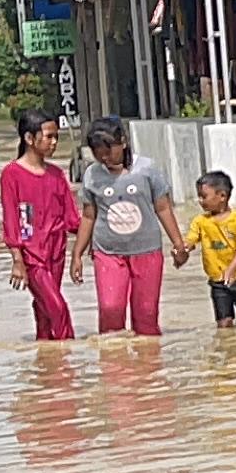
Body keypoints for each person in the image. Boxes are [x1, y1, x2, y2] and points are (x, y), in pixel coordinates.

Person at [74, 119, 185, 338]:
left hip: (146, 251)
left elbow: (162, 208)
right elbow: (88, 216)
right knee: (110, 309)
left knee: (146, 314)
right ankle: (114, 366)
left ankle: (147, 366)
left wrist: (178, 244)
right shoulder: (91, 175)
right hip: (107, 252)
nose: (104, 157)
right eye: (98, 153)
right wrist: (77, 254)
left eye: (108, 150)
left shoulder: (147, 169)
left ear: (123, 142)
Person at [0, 110, 81, 342]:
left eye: (57, 137)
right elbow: (11, 220)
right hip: (31, 255)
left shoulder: (56, 174)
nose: (54, 142)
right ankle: (70, 353)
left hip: (56, 251)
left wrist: (96, 234)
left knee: (45, 309)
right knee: (58, 307)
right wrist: (17, 260)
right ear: (29, 138)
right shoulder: (11, 175)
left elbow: (72, 218)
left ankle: (47, 361)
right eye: (49, 137)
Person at [188, 170, 236, 327]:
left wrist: (231, 270)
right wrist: (182, 248)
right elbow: (191, 239)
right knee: (224, 325)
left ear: (222, 196)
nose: (200, 201)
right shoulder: (200, 221)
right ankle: (228, 349)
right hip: (217, 282)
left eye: (204, 196)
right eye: (199, 197)